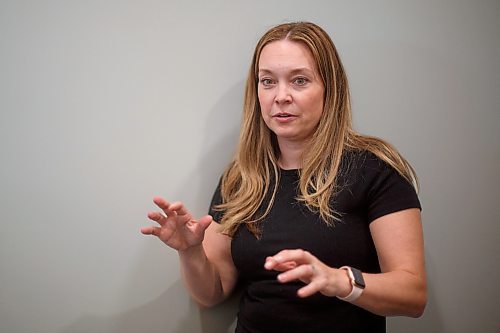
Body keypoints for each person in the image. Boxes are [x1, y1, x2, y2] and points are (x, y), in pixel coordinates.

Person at [141, 21, 427, 333]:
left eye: (300, 81)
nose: (281, 96)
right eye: (268, 82)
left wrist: (338, 280)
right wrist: (190, 251)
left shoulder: (375, 169)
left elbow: (413, 296)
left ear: (329, 88)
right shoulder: (242, 177)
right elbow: (212, 293)